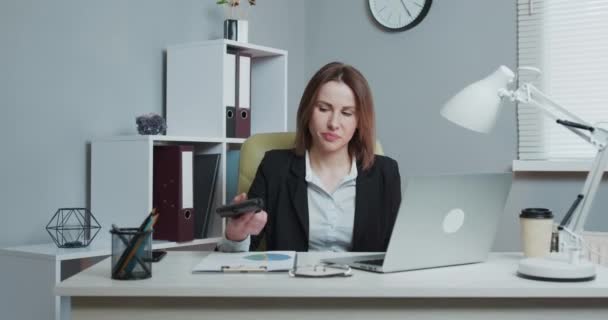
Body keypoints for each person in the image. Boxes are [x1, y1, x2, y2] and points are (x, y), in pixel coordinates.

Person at [219, 61, 402, 252]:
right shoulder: (275, 167)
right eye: (323, 109)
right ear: (308, 112)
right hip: (293, 280)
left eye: (347, 113)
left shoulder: (386, 172)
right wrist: (236, 236)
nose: (333, 123)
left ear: (359, 121)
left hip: (362, 281)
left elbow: (396, 250)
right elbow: (240, 259)